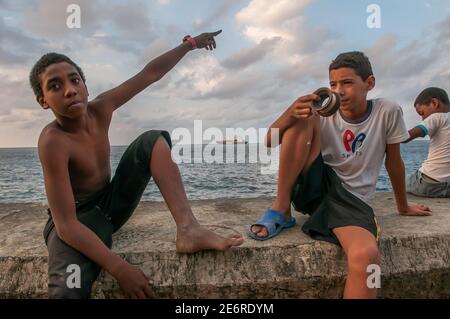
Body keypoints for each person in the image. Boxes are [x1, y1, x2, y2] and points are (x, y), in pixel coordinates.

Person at [30, 30, 243, 299]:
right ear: (43, 101)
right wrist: (120, 268)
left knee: (152, 140)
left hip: (112, 206)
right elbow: (66, 225)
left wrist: (190, 45)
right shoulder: (53, 141)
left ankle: (189, 229)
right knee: (67, 287)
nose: (70, 90)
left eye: (74, 80)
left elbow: (149, 73)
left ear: (85, 84)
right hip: (78, 222)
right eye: (55, 86)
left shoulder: (101, 108)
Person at [249, 51, 432, 298]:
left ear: (369, 83)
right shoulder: (325, 112)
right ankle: (281, 208)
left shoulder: (386, 111)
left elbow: (394, 162)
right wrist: (291, 112)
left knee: (366, 256)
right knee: (304, 117)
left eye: (347, 83)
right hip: (316, 187)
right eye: (333, 84)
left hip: (351, 201)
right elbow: (270, 142)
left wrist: (403, 206)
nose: (339, 91)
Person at [402, 87, 450, 197]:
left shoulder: (437, 117)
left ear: (434, 103)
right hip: (448, 187)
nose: (422, 119)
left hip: (430, 185)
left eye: (422, 113)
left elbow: (405, 137)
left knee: (401, 183)